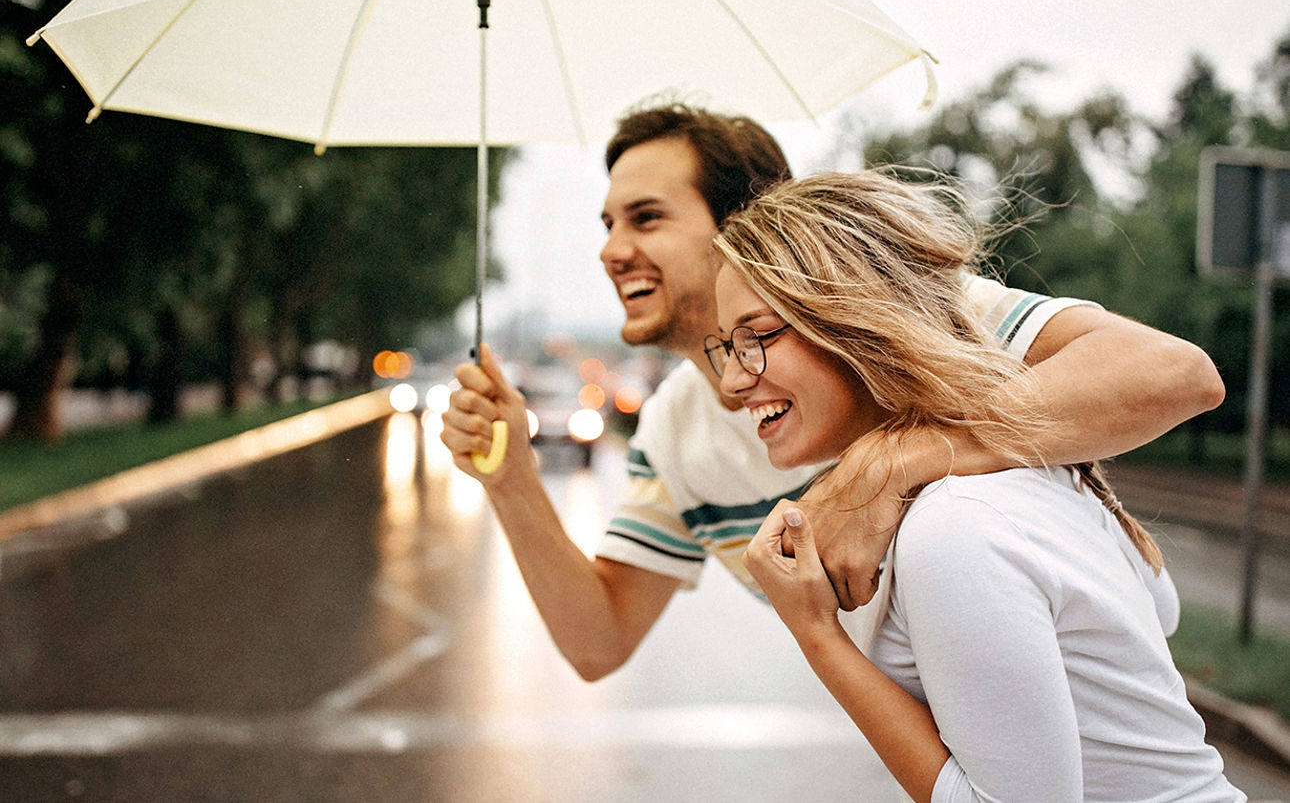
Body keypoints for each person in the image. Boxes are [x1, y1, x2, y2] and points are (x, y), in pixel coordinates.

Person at [440, 99, 1225, 682]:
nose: (612, 251)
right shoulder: (672, 433)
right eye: (608, 223)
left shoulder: (909, 320)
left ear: (748, 224)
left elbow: (1176, 373)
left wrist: (892, 463)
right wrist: (511, 483)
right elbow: (598, 643)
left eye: (645, 218)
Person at [722, 171, 1243, 802]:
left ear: (852, 319)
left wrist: (817, 634)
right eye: (725, 346)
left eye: (755, 337)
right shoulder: (1013, 454)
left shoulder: (956, 518)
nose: (731, 381)